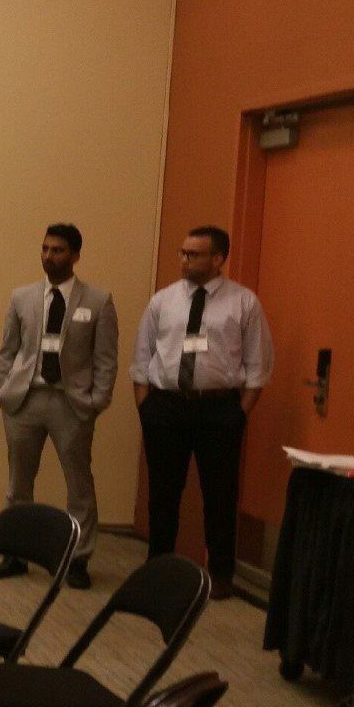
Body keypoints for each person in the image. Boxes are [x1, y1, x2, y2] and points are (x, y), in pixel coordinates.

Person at [132, 225, 273, 601]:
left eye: (193, 254)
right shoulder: (163, 300)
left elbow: (258, 366)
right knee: (163, 492)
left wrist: (239, 413)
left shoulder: (244, 303)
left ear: (217, 259)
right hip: (166, 405)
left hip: (219, 409)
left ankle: (221, 574)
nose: (184, 260)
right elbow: (142, 357)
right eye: (182, 253)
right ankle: (158, 566)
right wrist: (145, 404)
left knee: (220, 493)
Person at [0, 224, 118, 588]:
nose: (49, 256)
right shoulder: (22, 297)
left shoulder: (97, 300)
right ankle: (16, 552)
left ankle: (77, 557)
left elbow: (106, 358)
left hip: (71, 402)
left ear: (75, 255)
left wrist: (97, 400)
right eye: (44, 249)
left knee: (78, 483)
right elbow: (7, 350)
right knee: (18, 482)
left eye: (58, 250)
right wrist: (4, 388)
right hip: (25, 398)